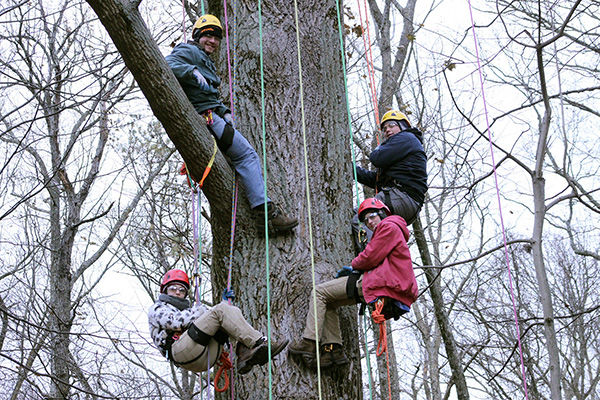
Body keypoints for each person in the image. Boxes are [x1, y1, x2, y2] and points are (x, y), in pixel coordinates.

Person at [166, 14, 298, 235]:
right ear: (198, 36)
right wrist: (191, 72)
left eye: (216, 38)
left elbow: (210, 96)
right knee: (246, 155)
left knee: (241, 156)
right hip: (205, 117)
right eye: (208, 35)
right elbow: (168, 64)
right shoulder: (189, 51)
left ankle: (263, 212)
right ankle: (266, 214)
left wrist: (224, 112)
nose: (213, 41)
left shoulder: (205, 60)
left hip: (212, 115)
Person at [289, 198, 418, 369]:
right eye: (366, 221)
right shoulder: (393, 229)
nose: (369, 222)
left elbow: (371, 256)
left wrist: (354, 266)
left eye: (372, 217)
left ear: (382, 213)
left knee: (319, 292)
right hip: (384, 285)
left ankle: (309, 343)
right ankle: (333, 350)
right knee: (329, 301)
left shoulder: (389, 226)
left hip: (380, 283)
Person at [148, 269, 288, 374]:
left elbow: (211, 319)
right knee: (220, 310)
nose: (178, 292)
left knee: (226, 313)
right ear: (165, 291)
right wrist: (206, 309)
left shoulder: (190, 311)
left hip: (203, 356)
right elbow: (176, 322)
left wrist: (224, 304)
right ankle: (259, 342)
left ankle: (245, 353)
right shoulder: (158, 308)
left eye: (182, 290)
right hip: (180, 350)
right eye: (173, 289)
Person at [356, 110, 427, 226]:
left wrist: (381, 147)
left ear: (403, 126)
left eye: (391, 125)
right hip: (405, 202)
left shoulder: (407, 137)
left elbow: (376, 158)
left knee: (359, 221)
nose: (387, 130)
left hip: (401, 197)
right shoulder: (400, 151)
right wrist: (353, 169)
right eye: (384, 129)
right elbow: (376, 180)